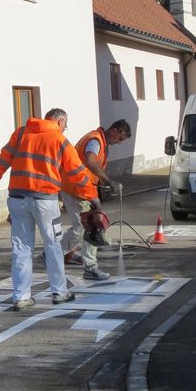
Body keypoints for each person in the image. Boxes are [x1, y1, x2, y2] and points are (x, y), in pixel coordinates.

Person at [0, 108, 98, 310]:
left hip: (17, 199)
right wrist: (91, 196)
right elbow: (77, 172)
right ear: (60, 121)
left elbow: (2, 160)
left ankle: (21, 297)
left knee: (21, 248)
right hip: (45, 201)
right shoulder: (59, 140)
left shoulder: (21, 134)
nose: (65, 129)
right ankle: (59, 292)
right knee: (53, 245)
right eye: (65, 125)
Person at [61, 119, 132, 279]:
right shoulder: (95, 141)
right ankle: (55, 254)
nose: (119, 143)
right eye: (120, 138)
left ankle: (86, 265)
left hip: (81, 188)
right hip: (77, 188)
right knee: (83, 228)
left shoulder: (98, 139)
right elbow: (90, 162)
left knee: (91, 226)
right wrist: (108, 181)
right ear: (114, 130)